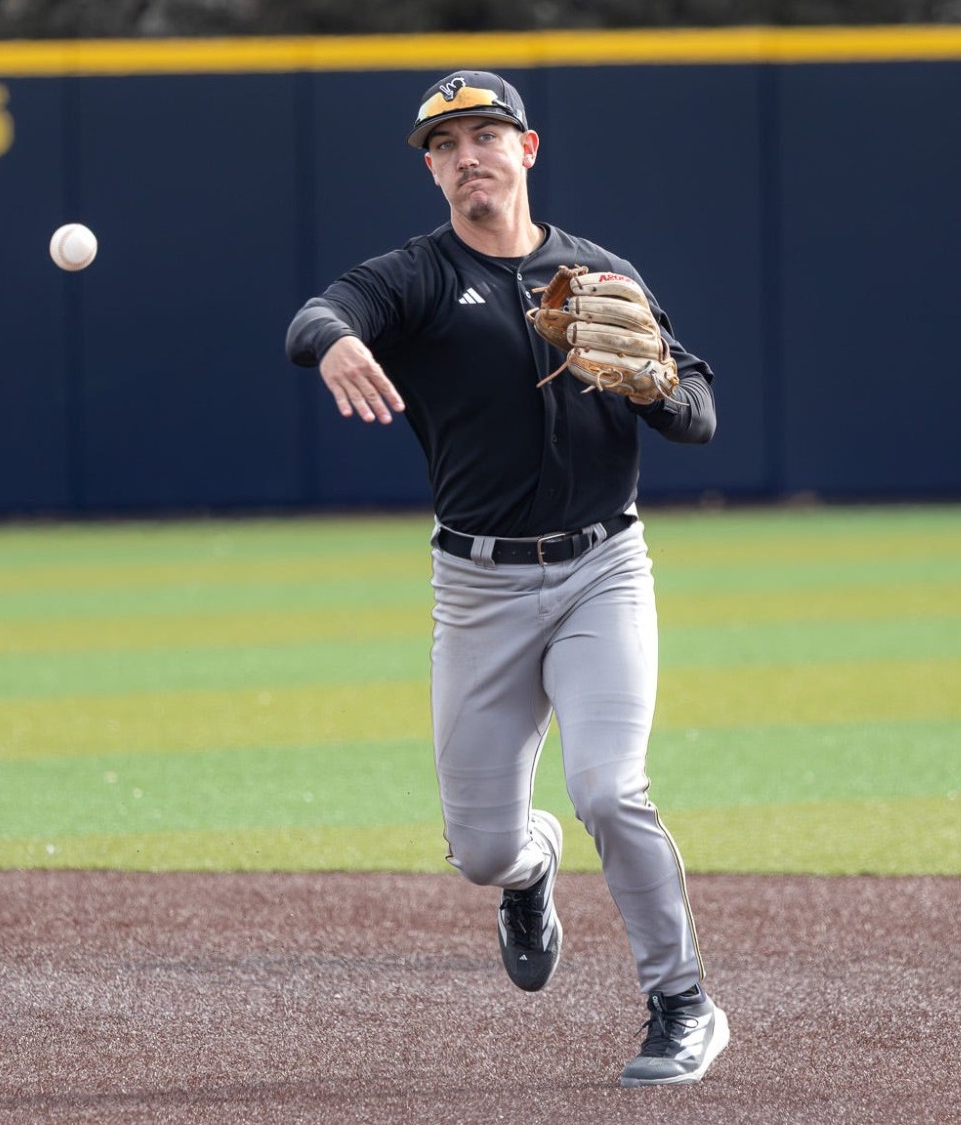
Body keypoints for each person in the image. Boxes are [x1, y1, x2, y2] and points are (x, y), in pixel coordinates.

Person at [283, 69, 727, 1087]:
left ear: (525, 150)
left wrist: (655, 380)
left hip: (600, 574)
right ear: (432, 170)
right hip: (476, 593)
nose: (466, 154)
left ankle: (682, 1006)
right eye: (445, 144)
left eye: (486, 134)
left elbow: (697, 411)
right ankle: (528, 873)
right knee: (481, 849)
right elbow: (315, 314)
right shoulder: (418, 278)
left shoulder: (599, 275)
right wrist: (339, 341)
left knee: (609, 791)